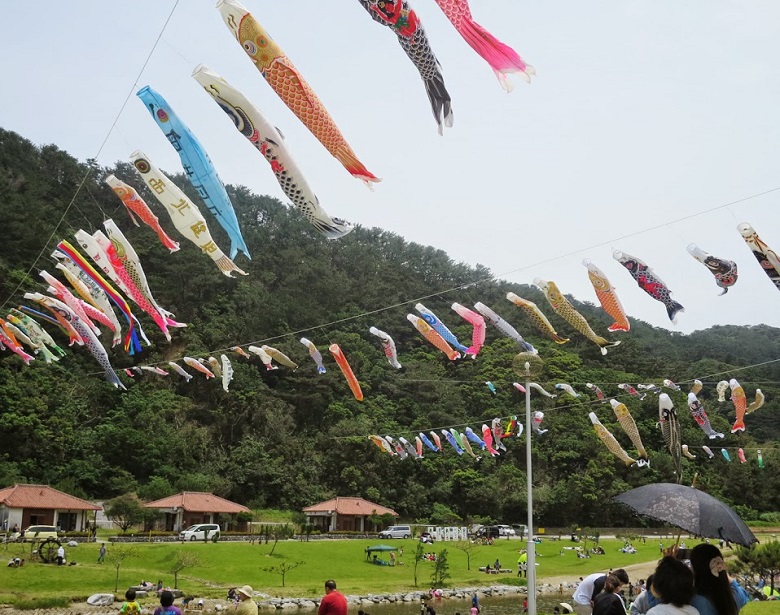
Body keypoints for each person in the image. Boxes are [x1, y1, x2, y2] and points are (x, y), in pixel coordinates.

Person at [689, 544, 749, 615]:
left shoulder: (695, 601)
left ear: (696, 569)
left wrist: (673, 567)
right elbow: (744, 595)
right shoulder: (733, 595)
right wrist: (722, 574)